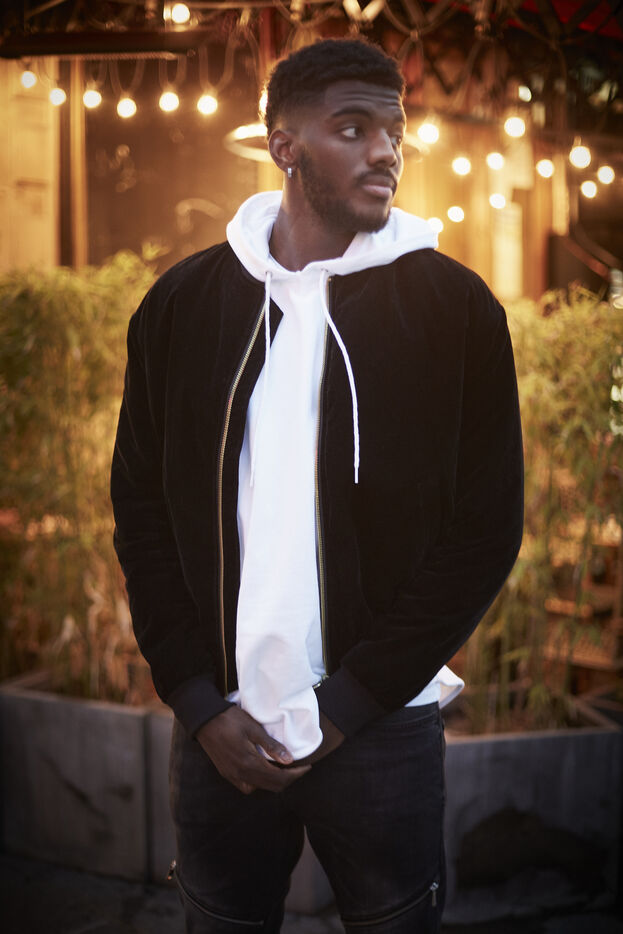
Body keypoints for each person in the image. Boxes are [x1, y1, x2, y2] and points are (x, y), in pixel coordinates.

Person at [111, 37, 523, 934]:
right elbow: (140, 511)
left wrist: (348, 705)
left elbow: (484, 531)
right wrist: (195, 700)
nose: (385, 151)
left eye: (394, 131)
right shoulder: (182, 305)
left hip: (381, 731)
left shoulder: (455, 311)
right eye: (352, 128)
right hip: (219, 731)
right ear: (284, 145)